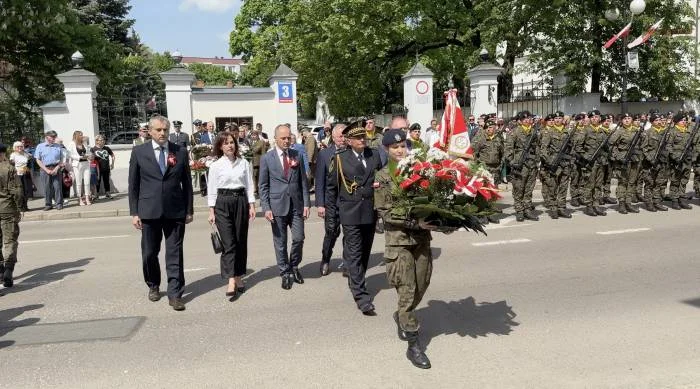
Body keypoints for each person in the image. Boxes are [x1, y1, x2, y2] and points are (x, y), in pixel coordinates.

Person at [374, 129, 434, 369]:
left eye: (403, 147)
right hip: (398, 241)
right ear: (387, 150)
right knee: (407, 291)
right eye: (395, 147)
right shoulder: (382, 175)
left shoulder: (419, 170)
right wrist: (413, 222)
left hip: (421, 239)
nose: (400, 150)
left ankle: (401, 314)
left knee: (423, 284)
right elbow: (385, 212)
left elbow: (432, 199)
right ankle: (414, 344)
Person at [128, 115, 194, 311]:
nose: (163, 133)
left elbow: (188, 185)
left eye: (165, 129)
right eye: (158, 130)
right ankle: (153, 284)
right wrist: (134, 212)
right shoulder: (139, 152)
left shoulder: (180, 151)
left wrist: (188, 210)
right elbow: (134, 185)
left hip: (175, 211)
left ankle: (175, 294)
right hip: (148, 211)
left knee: (175, 253)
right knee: (149, 253)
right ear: (150, 131)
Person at [326, 119, 383, 315]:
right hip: (350, 211)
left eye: (363, 136)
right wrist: (331, 215)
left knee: (365, 251)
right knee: (355, 251)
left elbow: (382, 179)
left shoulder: (374, 155)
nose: (362, 140)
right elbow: (332, 189)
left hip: (370, 210)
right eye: (358, 137)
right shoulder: (340, 159)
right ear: (348, 141)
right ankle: (361, 296)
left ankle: (357, 278)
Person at [258, 124, 310, 290]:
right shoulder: (267, 158)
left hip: (296, 206)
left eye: (289, 137)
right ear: (276, 139)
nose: (287, 141)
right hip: (277, 206)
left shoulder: (297, 155)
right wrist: (266, 207)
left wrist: (307, 203)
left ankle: (294, 266)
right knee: (280, 242)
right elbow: (263, 185)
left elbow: (303, 181)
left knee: (298, 238)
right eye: (283, 138)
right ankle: (284, 272)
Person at [207, 131, 256, 300]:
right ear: (220, 146)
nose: (230, 145)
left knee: (240, 241)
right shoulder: (215, 166)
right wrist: (211, 210)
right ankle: (230, 280)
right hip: (223, 203)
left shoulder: (244, 163)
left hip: (241, 201)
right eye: (226, 143)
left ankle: (238, 276)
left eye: (232, 142)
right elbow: (212, 188)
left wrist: (251, 204)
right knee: (228, 243)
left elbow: (250, 185)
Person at [315, 123, 346, 276]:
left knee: (350, 233)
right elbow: (319, 181)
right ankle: (325, 259)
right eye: (340, 135)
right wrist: (320, 204)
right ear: (333, 137)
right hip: (331, 202)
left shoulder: (350, 152)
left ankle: (348, 262)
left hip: (348, 202)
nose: (343, 138)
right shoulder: (325, 154)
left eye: (345, 135)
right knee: (331, 233)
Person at [504, 111, 539, 222]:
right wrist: (513, 162)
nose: (528, 121)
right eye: (525, 119)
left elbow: (537, 147)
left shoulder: (534, 132)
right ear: (520, 121)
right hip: (520, 165)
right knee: (518, 188)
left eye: (529, 119)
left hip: (531, 165)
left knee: (529, 188)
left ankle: (527, 209)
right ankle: (519, 210)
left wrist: (537, 160)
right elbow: (508, 149)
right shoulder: (514, 132)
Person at [538, 112, 573, 219]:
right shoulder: (549, 132)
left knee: (563, 186)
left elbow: (572, 148)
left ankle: (561, 208)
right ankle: (553, 208)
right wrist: (549, 162)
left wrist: (571, 160)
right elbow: (543, 149)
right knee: (553, 187)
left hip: (565, 164)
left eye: (559, 118)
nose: (557, 120)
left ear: (563, 119)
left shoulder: (568, 132)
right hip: (554, 164)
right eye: (556, 118)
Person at [608, 113, 642, 214]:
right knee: (623, 182)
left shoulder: (637, 131)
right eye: (625, 118)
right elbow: (611, 145)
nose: (627, 120)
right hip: (623, 160)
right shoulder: (619, 132)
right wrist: (617, 156)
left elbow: (642, 145)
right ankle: (621, 204)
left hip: (635, 159)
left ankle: (629, 203)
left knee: (631, 182)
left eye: (629, 118)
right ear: (621, 120)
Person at [0, 144, 23, 288]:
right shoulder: (8, 168)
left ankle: (1, 271)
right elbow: (17, 191)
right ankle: (8, 270)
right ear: (2, 154)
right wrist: (19, 207)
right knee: (10, 240)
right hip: (6, 208)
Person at [34, 130, 64, 210]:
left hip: (56, 168)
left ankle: (59, 204)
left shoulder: (58, 146)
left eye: (55, 136)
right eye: (52, 137)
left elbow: (61, 159)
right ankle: (48, 204)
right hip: (44, 168)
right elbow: (38, 160)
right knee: (47, 187)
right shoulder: (40, 146)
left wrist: (57, 168)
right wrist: (46, 170)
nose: (54, 138)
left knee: (57, 187)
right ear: (47, 137)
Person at [67, 130, 92, 206]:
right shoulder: (71, 144)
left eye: (82, 134)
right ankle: (80, 199)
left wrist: (88, 155)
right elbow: (69, 154)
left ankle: (87, 198)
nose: (82, 136)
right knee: (79, 183)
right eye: (80, 135)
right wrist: (79, 157)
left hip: (86, 163)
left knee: (87, 182)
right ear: (76, 136)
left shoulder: (84, 143)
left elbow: (88, 152)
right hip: (77, 165)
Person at [10, 141, 32, 211]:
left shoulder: (26, 154)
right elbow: (11, 165)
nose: (20, 148)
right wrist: (17, 170)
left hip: (26, 174)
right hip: (17, 175)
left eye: (21, 146)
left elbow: (29, 164)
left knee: (26, 190)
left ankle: (25, 206)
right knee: (19, 191)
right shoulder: (13, 155)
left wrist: (25, 169)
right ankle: (20, 207)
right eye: (18, 146)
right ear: (15, 148)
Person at [91, 135, 115, 199]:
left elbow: (112, 155)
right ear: (97, 141)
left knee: (106, 181)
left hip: (106, 167)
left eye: (103, 140)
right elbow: (91, 160)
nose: (103, 141)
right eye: (101, 140)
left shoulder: (107, 148)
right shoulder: (93, 149)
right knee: (97, 181)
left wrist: (112, 164)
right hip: (97, 169)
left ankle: (107, 193)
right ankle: (96, 194)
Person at [250, 130, 268, 197]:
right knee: (254, 177)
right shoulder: (250, 142)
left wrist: (264, 163)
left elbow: (263, 153)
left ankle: (261, 192)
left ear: (257, 136)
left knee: (260, 177)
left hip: (259, 163)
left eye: (255, 135)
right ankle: (255, 191)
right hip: (251, 162)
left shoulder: (261, 142)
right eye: (252, 135)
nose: (253, 136)